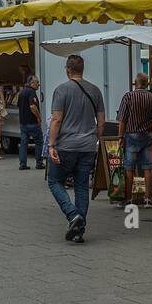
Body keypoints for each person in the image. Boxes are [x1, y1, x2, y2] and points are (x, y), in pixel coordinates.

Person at [46, 54, 106, 244]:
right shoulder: (95, 90)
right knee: (81, 186)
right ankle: (79, 230)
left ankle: (72, 215)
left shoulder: (61, 90)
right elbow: (101, 122)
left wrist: (51, 144)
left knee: (55, 181)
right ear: (82, 69)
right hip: (87, 146)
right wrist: (94, 137)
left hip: (66, 145)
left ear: (68, 69)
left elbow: (56, 120)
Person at [118, 73, 152, 205]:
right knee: (148, 168)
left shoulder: (128, 97)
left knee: (129, 168)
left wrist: (120, 136)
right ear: (147, 84)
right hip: (148, 135)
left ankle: (129, 198)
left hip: (131, 135)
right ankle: (148, 199)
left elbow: (122, 119)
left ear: (134, 83)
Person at [18, 75, 45, 170]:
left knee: (23, 143)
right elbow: (32, 106)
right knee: (39, 141)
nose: (39, 84)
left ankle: (22, 163)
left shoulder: (21, 92)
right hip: (32, 122)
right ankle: (39, 162)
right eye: (37, 82)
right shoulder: (31, 92)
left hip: (23, 123)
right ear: (31, 83)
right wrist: (39, 117)